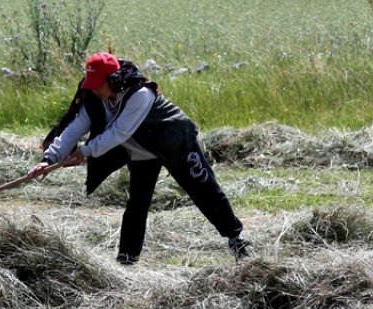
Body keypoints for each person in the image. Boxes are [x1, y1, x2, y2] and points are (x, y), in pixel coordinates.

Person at [29, 52, 253, 265]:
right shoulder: (95, 100)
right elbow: (74, 129)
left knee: (203, 188)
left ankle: (236, 238)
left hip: (174, 141)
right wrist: (49, 160)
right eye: (91, 84)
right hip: (141, 150)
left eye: (98, 84)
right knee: (137, 203)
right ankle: (127, 258)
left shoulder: (140, 94)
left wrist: (83, 153)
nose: (94, 89)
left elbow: (119, 132)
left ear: (114, 80)